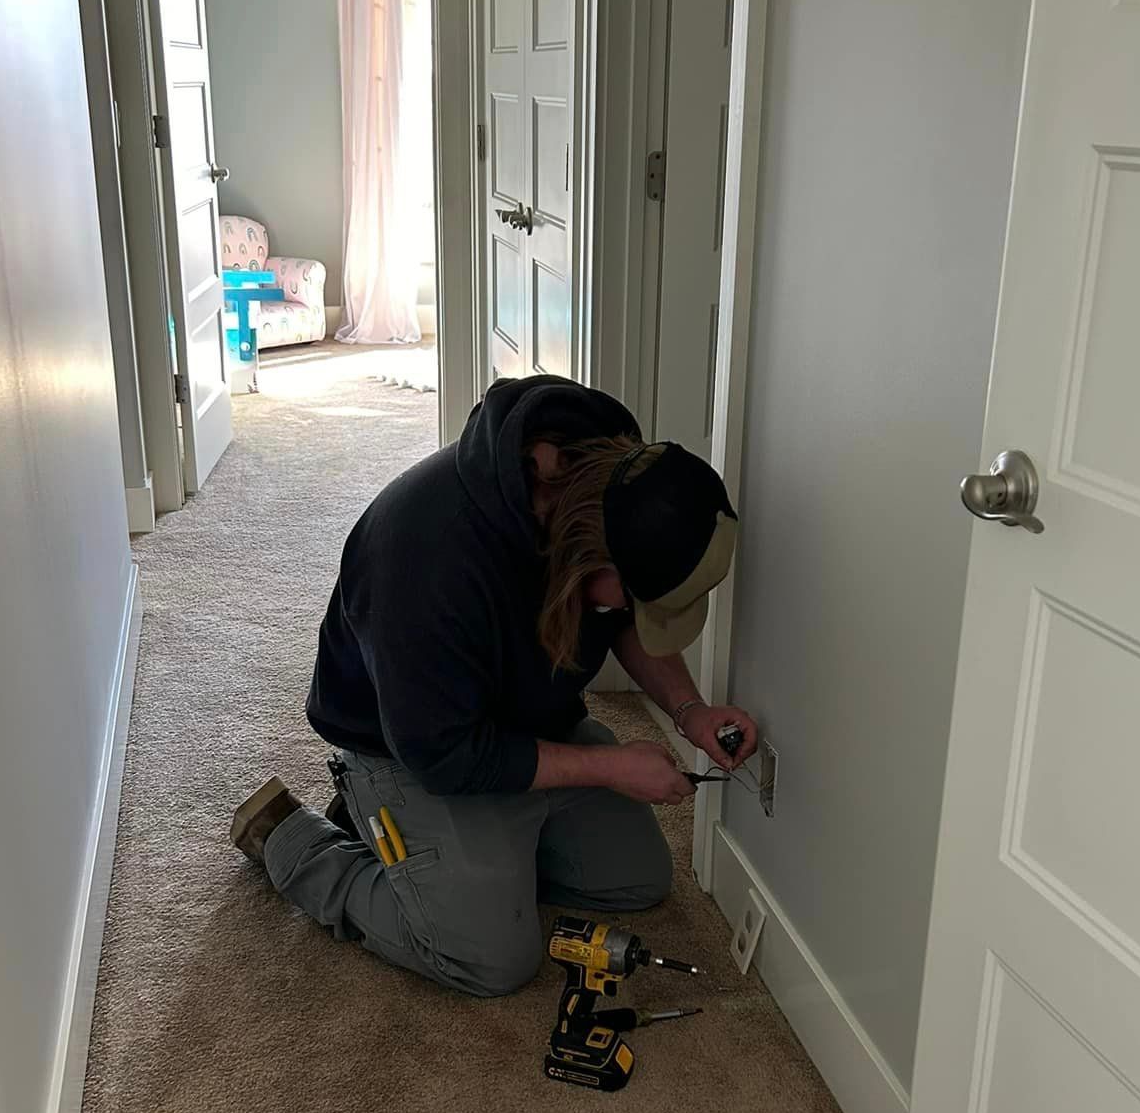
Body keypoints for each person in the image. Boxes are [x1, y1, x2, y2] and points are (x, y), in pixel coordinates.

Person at [230, 374, 759, 996]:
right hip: (414, 747)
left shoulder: (617, 483)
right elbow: (446, 754)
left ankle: (447, 859)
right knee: (491, 958)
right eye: (641, 602)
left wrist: (689, 709)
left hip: (525, 720)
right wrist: (607, 767)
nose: (639, 618)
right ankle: (299, 840)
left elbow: (617, 615)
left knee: (636, 878)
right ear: (589, 556)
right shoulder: (428, 558)